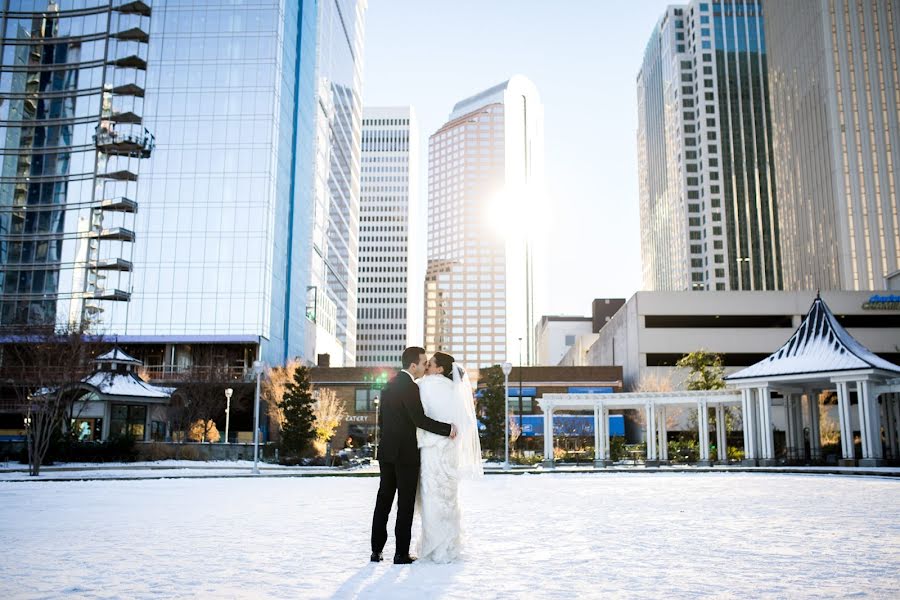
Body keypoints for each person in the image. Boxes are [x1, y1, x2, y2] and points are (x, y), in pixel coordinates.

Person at [370, 346, 457, 565]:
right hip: (406, 454)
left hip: (387, 451)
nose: (425, 365)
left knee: (383, 501)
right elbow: (420, 420)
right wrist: (448, 429)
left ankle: (376, 551)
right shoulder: (410, 387)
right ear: (413, 365)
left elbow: (383, 422)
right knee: (405, 504)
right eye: (423, 362)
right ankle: (400, 554)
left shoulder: (388, 385)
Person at [415, 351, 483, 563]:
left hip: (432, 449)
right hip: (450, 450)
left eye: (431, 364)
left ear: (440, 369)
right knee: (449, 497)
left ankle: (434, 545)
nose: (427, 366)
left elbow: (420, 417)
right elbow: (464, 423)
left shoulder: (424, 385)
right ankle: (450, 546)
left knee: (431, 497)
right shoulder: (456, 390)